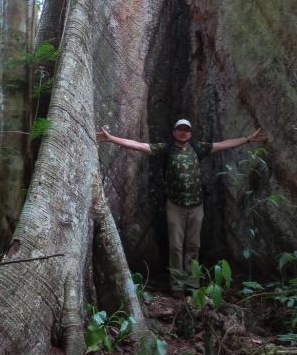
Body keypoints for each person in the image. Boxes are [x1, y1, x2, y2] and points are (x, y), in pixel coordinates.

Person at [96, 119, 267, 296]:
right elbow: (138, 145)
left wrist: (248, 139)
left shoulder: (198, 148)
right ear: (174, 132)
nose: (183, 132)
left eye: (187, 130)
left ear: (190, 133)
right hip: (175, 206)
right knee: (176, 247)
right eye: (180, 129)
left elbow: (224, 144)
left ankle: (192, 285)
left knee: (194, 246)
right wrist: (111, 139)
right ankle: (177, 286)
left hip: (196, 206)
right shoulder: (166, 149)